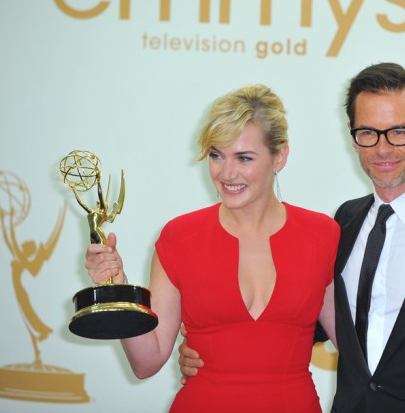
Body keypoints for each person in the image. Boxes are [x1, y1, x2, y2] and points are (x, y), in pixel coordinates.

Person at [179, 63, 405, 411]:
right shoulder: (344, 222)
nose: (383, 148)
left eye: (400, 132)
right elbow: (310, 322)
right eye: (368, 133)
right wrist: (216, 350)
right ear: (353, 137)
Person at [84, 84, 340, 412]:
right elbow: (146, 363)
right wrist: (116, 290)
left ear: (280, 156)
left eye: (244, 158)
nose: (226, 173)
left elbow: (356, 351)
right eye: (217, 155)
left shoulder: (322, 235)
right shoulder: (179, 237)